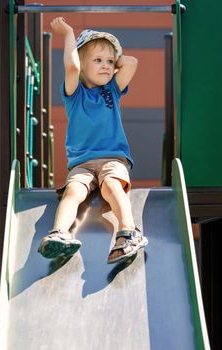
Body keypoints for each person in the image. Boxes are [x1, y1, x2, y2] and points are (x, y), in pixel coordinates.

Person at [38, 17, 148, 264]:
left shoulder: (112, 90)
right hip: (82, 163)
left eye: (110, 62)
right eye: (97, 61)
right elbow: (72, 68)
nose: (106, 66)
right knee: (73, 191)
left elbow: (132, 62)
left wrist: (109, 55)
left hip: (113, 158)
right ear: (82, 63)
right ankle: (59, 234)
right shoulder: (74, 95)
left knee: (111, 185)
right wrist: (68, 34)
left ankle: (128, 231)